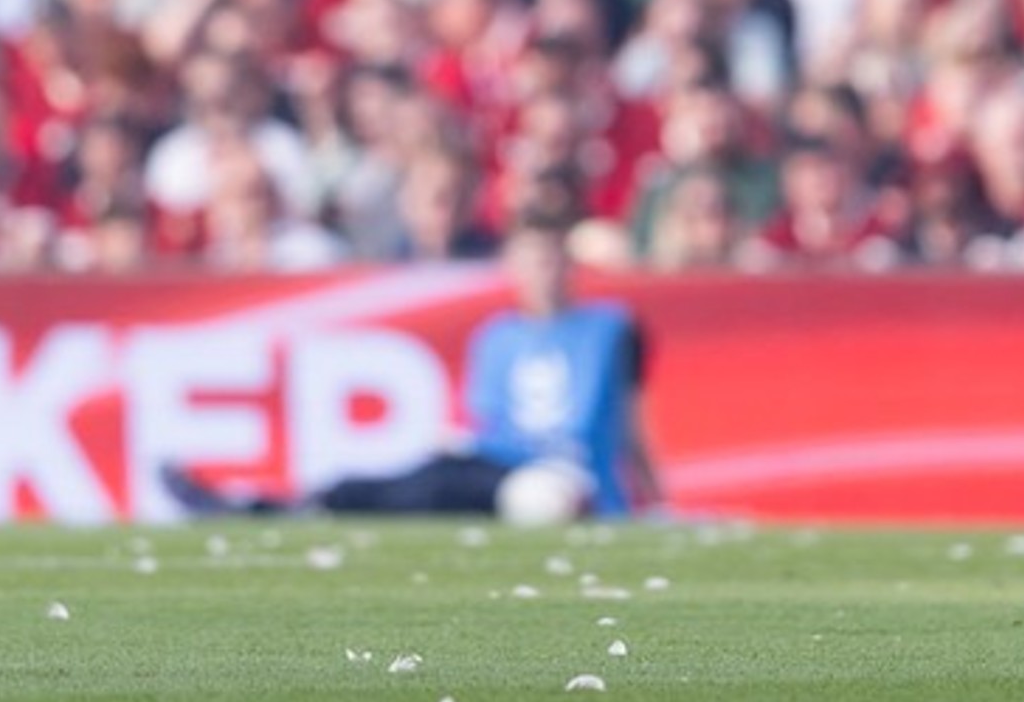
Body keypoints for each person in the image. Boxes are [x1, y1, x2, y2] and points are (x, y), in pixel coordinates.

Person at [163, 206, 660, 518]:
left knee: (492, 493)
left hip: (569, 476)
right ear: (513, 267)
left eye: (551, 260)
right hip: (499, 466)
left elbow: (629, 421)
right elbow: (489, 425)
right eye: (532, 261)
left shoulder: (609, 327)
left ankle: (272, 506)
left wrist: (647, 495)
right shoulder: (498, 335)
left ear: (570, 264)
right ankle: (269, 503)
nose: (543, 274)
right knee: (420, 479)